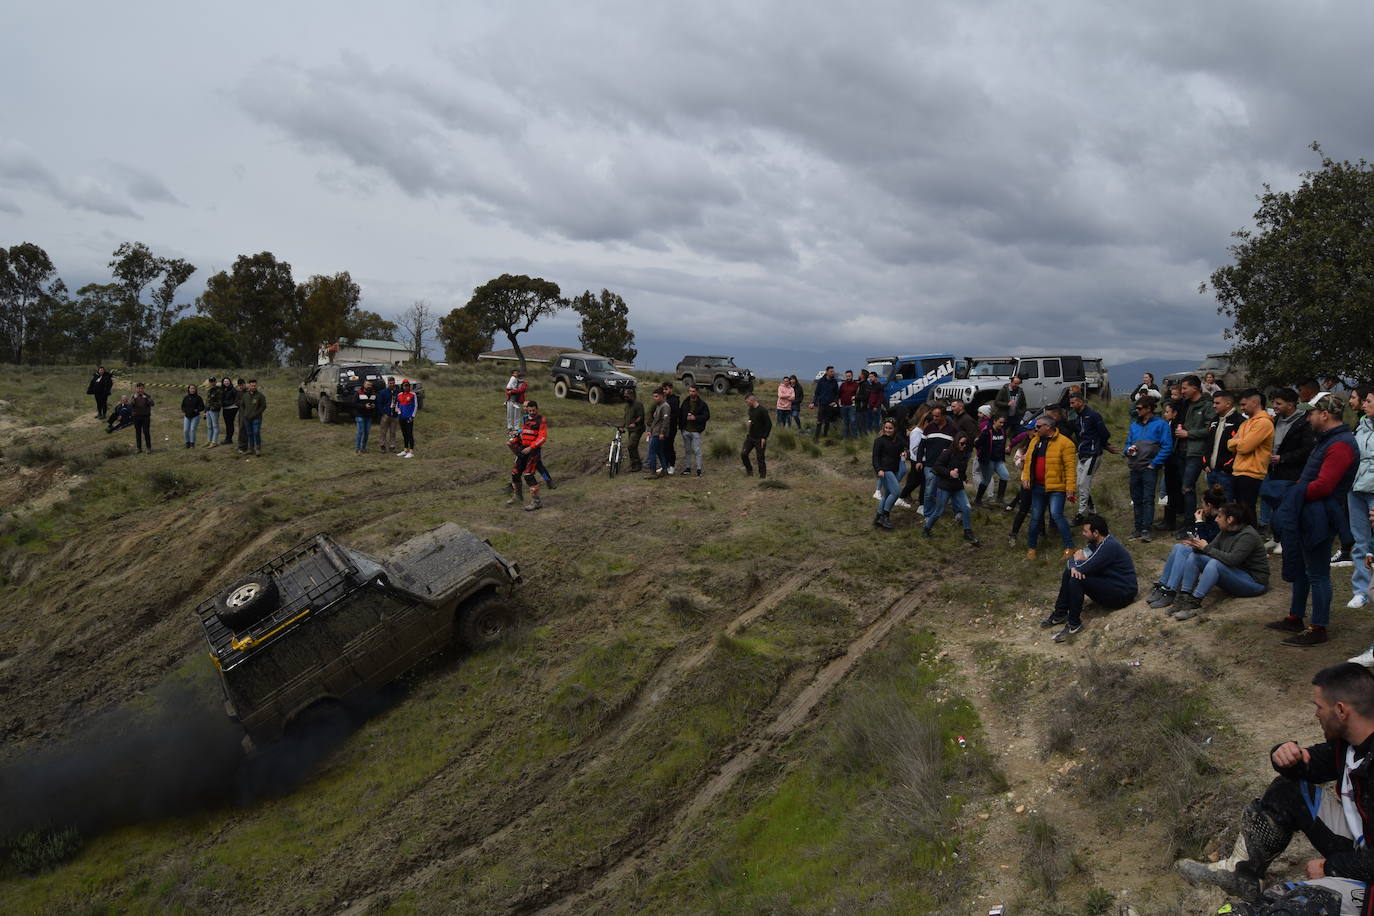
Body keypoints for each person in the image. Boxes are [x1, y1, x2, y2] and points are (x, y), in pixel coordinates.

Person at [1176, 663, 1374, 905]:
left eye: (1319, 707)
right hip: (1361, 847)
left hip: (1368, 870)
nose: (1316, 715)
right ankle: (1242, 874)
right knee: (1287, 789)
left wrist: (1331, 867)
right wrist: (1283, 754)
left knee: (1283, 903)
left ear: (1341, 710)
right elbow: (1307, 764)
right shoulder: (1350, 743)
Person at [1268, 393, 1359, 647]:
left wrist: (1292, 492)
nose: (1309, 417)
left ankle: (1318, 627)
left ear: (1325, 414)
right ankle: (1295, 617)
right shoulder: (1327, 440)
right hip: (1309, 510)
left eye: (1312, 413)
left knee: (1317, 572)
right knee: (1302, 567)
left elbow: (1324, 486)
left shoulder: (1340, 444)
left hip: (1321, 513)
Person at [1146, 502, 1269, 620]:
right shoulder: (1226, 531)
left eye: (1220, 517)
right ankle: (1185, 598)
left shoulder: (1248, 535)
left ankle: (1195, 603)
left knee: (1214, 563)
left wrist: (1205, 548)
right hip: (1235, 575)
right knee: (1194, 556)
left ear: (1230, 519)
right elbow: (1210, 549)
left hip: (1254, 583)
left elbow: (1232, 560)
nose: (1216, 520)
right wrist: (1197, 546)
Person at [1039, 514, 1137, 643]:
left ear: (1096, 533)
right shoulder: (1095, 544)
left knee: (1076, 578)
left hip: (1122, 594)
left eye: (1085, 531)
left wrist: (1078, 562)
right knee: (1069, 573)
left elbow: (1080, 566)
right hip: (1110, 584)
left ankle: (1074, 625)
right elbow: (1073, 560)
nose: (1083, 534)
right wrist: (1077, 562)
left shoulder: (1108, 547)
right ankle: (1060, 614)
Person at [1261, 388, 1315, 546]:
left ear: (1290, 405)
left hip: (1292, 472)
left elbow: (1307, 449)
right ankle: (1276, 536)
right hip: (1273, 470)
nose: (1275, 406)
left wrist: (1283, 458)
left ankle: (1287, 540)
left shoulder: (1304, 422)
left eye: (1278, 403)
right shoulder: (1276, 419)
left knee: (1288, 506)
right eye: (1274, 403)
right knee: (1274, 504)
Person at [1022, 414, 1077, 560]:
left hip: (1056, 487)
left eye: (1039, 426)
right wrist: (1026, 477)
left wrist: (1070, 488)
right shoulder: (1035, 441)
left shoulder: (1066, 443)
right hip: (1037, 487)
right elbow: (1028, 461)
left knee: (1057, 515)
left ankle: (1069, 547)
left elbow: (1070, 468)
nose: (1036, 429)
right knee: (1035, 517)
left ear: (1049, 427)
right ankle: (1031, 548)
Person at [1123, 396, 1173, 540]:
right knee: (1136, 498)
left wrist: (1154, 464)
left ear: (1149, 408)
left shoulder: (1161, 425)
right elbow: (1127, 443)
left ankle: (1146, 529)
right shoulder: (1134, 425)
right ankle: (1138, 528)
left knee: (1148, 499)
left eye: (1139, 408)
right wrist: (1128, 450)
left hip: (1149, 468)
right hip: (1135, 467)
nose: (1136, 411)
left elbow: (1166, 446)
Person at [1174, 375, 1218, 534]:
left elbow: (1210, 429)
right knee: (1184, 488)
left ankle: (1191, 525)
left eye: (1185, 388)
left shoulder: (1207, 406)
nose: (1182, 391)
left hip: (1196, 452)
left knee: (1187, 487)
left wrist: (1189, 433)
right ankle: (1187, 522)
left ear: (1195, 388)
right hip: (1182, 451)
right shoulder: (1185, 404)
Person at [922, 433, 979, 545]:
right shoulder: (947, 453)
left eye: (966, 444)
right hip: (945, 487)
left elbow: (961, 471)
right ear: (956, 442)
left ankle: (967, 532)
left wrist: (965, 479)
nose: (964, 446)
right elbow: (937, 467)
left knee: (967, 508)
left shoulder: (964, 455)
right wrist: (949, 473)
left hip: (957, 487)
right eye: (962, 443)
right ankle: (926, 529)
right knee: (938, 511)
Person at [1346, 388, 1374, 609]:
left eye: (1369, 401)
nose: (1364, 404)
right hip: (1356, 489)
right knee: (1360, 540)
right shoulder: (1362, 425)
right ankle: (1361, 590)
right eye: (1364, 401)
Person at [1228, 389, 1275, 519]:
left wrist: (1238, 442)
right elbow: (1230, 445)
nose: (1241, 408)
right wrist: (1238, 443)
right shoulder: (1245, 423)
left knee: (1247, 510)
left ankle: (1250, 536)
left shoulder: (1264, 423)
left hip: (1252, 473)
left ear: (1254, 402)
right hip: (1238, 470)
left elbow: (1244, 447)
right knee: (1239, 511)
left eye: (1243, 405)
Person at [1069, 391, 1111, 516]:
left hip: (1093, 454)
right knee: (1081, 484)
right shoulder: (1078, 417)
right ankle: (1092, 510)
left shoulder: (1093, 416)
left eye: (1073, 403)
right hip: (1082, 453)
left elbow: (1104, 433)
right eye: (1070, 403)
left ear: (1080, 402)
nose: (1071, 406)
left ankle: (1081, 514)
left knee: (1083, 484)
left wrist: (1103, 445)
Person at [917, 405, 957, 517]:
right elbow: (921, 446)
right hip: (930, 465)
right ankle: (928, 514)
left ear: (944, 416)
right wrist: (919, 461)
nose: (934, 418)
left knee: (942, 491)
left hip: (945, 467)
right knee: (929, 491)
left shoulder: (953, 430)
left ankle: (939, 510)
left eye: (937, 416)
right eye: (933, 416)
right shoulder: (929, 428)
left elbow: (957, 448)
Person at [507, 400, 547, 511]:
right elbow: (524, 433)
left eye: (533, 410)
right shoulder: (526, 418)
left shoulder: (541, 420)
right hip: (523, 449)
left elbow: (543, 437)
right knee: (515, 473)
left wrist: (531, 447)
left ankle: (536, 501)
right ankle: (518, 497)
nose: (532, 412)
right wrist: (514, 440)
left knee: (529, 475)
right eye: (529, 410)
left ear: (537, 409)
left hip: (533, 451)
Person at [1205, 390, 1243, 500]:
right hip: (1211, 471)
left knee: (1226, 506)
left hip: (1226, 473)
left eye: (1217, 403)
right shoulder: (1214, 420)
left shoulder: (1239, 421)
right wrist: (1205, 463)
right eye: (1213, 403)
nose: (1214, 406)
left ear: (1228, 404)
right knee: (1212, 505)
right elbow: (1207, 443)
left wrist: (1227, 467)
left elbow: (1240, 448)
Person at [872, 418, 904, 530]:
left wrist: (905, 453)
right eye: (886, 428)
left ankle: (878, 517)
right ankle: (885, 516)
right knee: (896, 492)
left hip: (894, 469)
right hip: (885, 470)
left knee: (887, 495)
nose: (888, 430)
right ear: (883, 428)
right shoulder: (879, 441)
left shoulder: (898, 441)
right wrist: (878, 469)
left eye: (890, 428)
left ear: (895, 429)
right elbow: (875, 457)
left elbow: (903, 450)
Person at [974, 414, 1010, 507]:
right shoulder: (987, 431)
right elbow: (978, 444)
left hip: (998, 460)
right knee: (986, 480)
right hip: (988, 460)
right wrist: (982, 453)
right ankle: (978, 500)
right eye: (1000, 422)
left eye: (1003, 422)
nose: (1002, 424)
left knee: (1005, 475)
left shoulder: (1002, 431)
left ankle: (1000, 498)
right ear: (994, 421)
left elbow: (1003, 443)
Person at [679, 385, 710, 476]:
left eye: (693, 391)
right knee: (687, 450)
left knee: (697, 450)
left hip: (696, 431)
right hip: (686, 430)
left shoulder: (702, 404)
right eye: (690, 391)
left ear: (697, 392)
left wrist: (695, 417)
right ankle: (688, 468)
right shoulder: (685, 402)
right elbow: (681, 415)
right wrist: (681, 428)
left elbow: (706, 416)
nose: (691, 393)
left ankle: (699, 470)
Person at [741, 393, 772, 478]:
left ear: (752, 400)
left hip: (760, 438)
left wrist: (764, 437)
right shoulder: (750, 409)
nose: (746, 403)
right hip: (750, 437)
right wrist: (749, 422)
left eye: (747, 402)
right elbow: (751, 419)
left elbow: (769, 425)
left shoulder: (763, 410)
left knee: (760, 458)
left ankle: (762, 476)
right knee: (743, 454)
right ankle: (749, 470)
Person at [644, 389, 671, 479]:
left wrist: (662, 432)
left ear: (662, 396)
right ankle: (664, 469)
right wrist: (650, 431)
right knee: (659, 452)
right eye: (653, 396)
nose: (654, 398)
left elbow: (665, 421)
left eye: (656, 396)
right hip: (655, 431)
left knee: (652, 452)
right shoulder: (659, 406)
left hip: (658, 433)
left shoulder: (665, 406)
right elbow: (655, 420)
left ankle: (653, 472)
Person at [238, 379, 267, 457]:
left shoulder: (260, 396)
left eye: (255, 385)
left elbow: (263, 406)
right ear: (249, 386)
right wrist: (244, 414)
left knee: (256, 432)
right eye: (252, 385)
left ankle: (258, 448)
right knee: (249, 433)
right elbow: (242, 405)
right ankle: (251, 448)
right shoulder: (245, 395)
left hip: (256, 418)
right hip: (247, 418)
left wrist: (257, 413)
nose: (253, 387)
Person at [812, 367, 840, 441]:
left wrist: (835, 401)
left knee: (827, 422)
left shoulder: (834, 382)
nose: (832, 373)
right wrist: (814, 402)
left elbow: (837, 394)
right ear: (827, 372)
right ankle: (816, 438)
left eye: (833, 371)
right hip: (822, 404)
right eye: (831, 371)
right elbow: (817, 393)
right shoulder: (821, 381)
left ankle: (825, 437)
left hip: (830, 405)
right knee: (819, 421)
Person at [622, 387, 645, 472]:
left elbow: (640, 417)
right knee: (632, 447)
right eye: (625, 396)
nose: (625, 398)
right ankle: (634, 464)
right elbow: (626, 417)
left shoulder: (638, 404)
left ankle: (637, 464)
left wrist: (634, 423)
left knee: (631, 445)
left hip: (637, 429)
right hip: (630, 429)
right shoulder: (627, 406)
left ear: (632, 395)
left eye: (627, 396)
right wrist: (622, 426)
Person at [394, 379, 418, 458]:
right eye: (404, 386)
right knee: (404, 433)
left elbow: (415, 405)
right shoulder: (399, 394)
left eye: (407, 386)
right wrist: (397, 410)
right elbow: (397, 404)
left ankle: (411, 451)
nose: (406, 387)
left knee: (409, 433)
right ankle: (405, 449)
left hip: (409, 417)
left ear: (409, 386)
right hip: (401, 416)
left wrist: (412, 416)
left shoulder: (412, 394)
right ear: (402, 386)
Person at [353, 380, 378, 454]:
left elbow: (375, 402)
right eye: (367, 385)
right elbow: (354, 404)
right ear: (364, 384)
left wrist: (374, 406)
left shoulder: (373, 393)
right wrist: (364, 406)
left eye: (370, 385)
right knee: (360, 432)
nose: (369, 386)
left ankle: (363, 448)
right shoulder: (358, 393)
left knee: (366, 432)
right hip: (360, 415)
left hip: (369, 416)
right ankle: (357, 449)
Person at [661, 382, 680, 474]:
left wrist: (667, 418)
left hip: (671, 427)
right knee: (663, 447)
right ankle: (664, 466)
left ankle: (671, 466)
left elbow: (675, 414)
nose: (665, 391)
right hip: (663, 427)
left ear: (671, 389)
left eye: (666, 389)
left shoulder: (674, 400)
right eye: (664, 389)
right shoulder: (664, 399)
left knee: (669, 446)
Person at [376, 376, 399, 453]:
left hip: (395, 415)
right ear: (387, 383)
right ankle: (382, 445)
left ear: (394, 383)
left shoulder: (398, 392)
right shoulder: (383, 392)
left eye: (393, 383)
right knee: (383, 431)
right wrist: (383, 412)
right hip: (386, 414)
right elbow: (379, 403)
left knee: (393, 431)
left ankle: (392, 446)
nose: (391, 384)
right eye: (390, 383)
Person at [130, 382, 154, 453]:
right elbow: (130, 404)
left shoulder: (147, 396)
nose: (140, 390)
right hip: (136, 417)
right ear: (136, 389)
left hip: (145, 417)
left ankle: (148, 448)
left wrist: (146, 398)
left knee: (146, 432)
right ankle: (139, 448)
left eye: (142, 388)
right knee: (138, 432)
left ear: (144, 389)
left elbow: (152, 404)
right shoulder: (133, 396)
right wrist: (133, 399)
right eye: (139, 388)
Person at [180, 384, 205, 449]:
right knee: (185, 430)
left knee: (192, 429)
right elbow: (182, 406)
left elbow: (202, 407)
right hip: (187, 416)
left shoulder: (198, 398)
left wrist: (197, 410)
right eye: (191, 388)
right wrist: (184, 410)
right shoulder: (186, 397)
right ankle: (187, 443)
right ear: (188, 389)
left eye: (193, 388)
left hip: (195, 416)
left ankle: (192, 444)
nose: (192, 390)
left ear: (195, 389)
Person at [838, 370, 859, 439]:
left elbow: (858, 394)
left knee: (853, 421)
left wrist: (855, 398)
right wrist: (839, 402)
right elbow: (839, 394)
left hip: (852, 406)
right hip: (843, 406)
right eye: (847, 376)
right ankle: (846, 438)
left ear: (852, 376)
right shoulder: (843, 384)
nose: (848, 377)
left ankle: (855, 437)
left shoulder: (856, 384)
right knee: (845, 423)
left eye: (849, 376)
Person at [219, 376, 239, 447]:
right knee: (227, 424)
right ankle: (228, 438)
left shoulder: (233, 389)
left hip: (232, 408)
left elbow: (237, 397)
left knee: (230, 423)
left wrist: (234, 403)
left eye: (227, 381)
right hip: (225, 408)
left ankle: (229, 439)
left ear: (230, 382)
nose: (226, 382)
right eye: (225, 381)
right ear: (223, 383)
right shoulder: (223, 389)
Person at [203, 377, 222, 448]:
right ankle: (209, 441)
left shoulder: (219, 390)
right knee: (209, 426)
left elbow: (220, 402)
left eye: (213, 381)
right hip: (208, 410)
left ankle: (214, 442)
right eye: (210, 382)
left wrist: (213, 408)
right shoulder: (209, 390)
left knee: (215, 426)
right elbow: (207, 401)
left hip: (214, 411)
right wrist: (205, 411)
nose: (212, 383)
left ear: (215, 382)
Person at [233, 379, 250, 453]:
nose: (240, 387)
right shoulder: (239, 392)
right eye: (239, 386)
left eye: (241, 385)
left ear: (244, 384)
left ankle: (248, 446)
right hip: (241, 413)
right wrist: (242, 402)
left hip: (249, 413)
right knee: (241, 429)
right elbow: (236, 402)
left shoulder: (249, 392)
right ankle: (241, 445)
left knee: (248, 430)